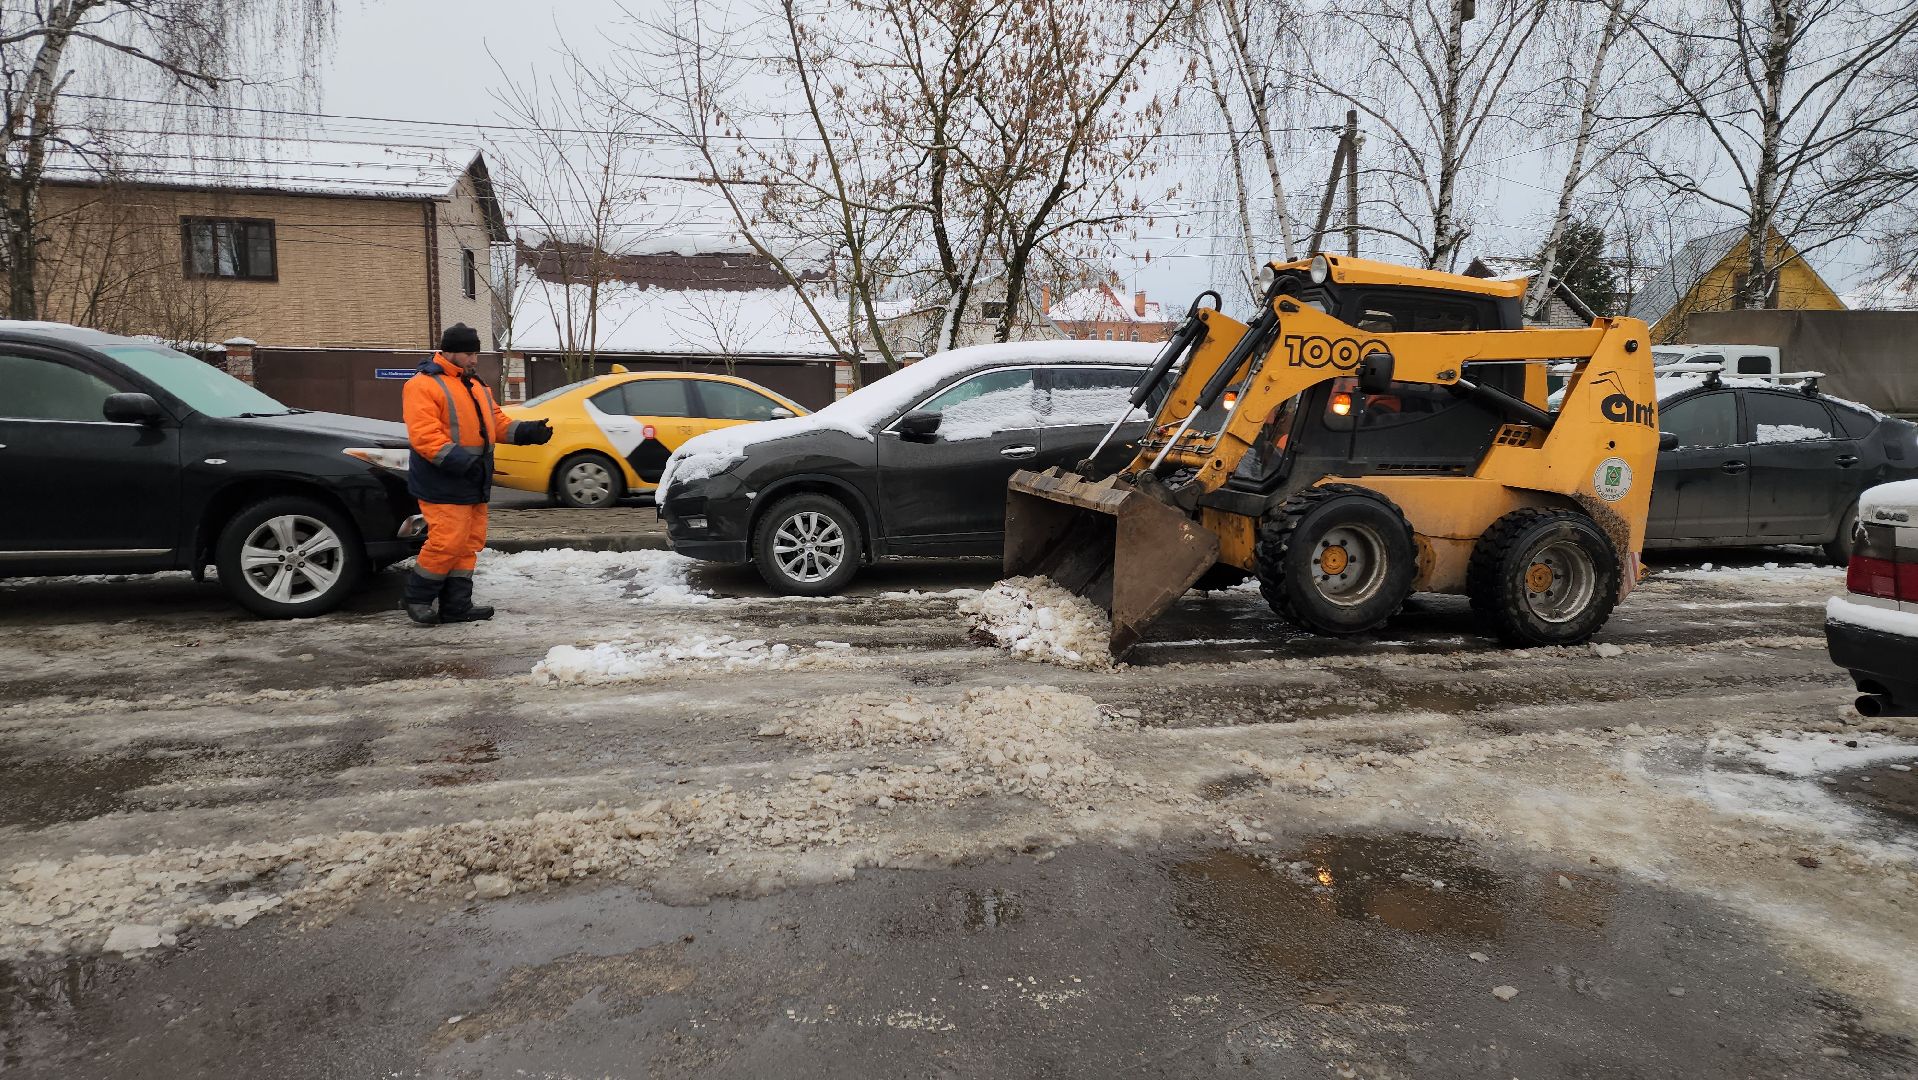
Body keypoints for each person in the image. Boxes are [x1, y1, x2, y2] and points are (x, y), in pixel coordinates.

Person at [400, 323, 552, 625]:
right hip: (442, 480)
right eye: (469, 353)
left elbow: (496, 422)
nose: (474, 360)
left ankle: (457, 606)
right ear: (451, 352)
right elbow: (424, 436)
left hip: (473, 479)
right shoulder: (422, 385)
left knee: (468, 543)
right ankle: (416, 598)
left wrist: (527, 431)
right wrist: (459, 461)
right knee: (446, 542)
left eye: (475, 353)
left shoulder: (476, 385)